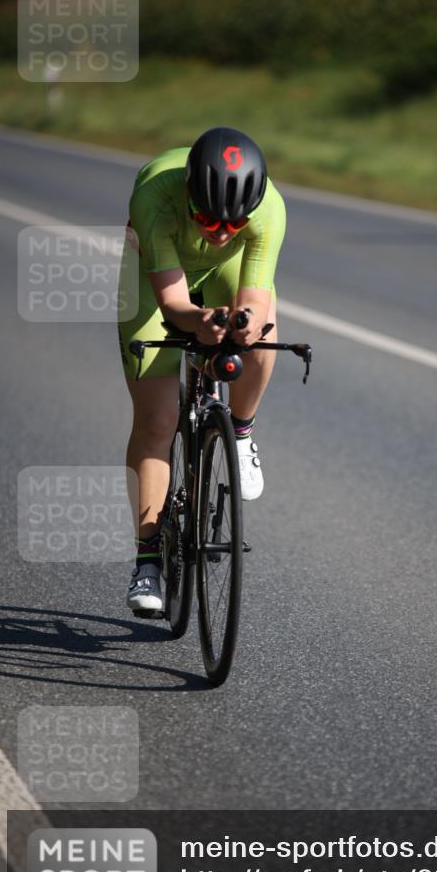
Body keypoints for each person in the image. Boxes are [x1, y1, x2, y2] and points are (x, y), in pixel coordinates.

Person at [117, 126, 286, 613]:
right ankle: (147, 560)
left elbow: (254, 297)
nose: (220, 232)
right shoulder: (154, 195)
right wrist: (199, 321)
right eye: (209, 219)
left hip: (229, 271)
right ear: (189, 195)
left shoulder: (269, 210)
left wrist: (242, 323)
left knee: (263, 333)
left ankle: (240, 430)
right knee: (155, 421)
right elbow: (172, 303)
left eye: (235, 223)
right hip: (157, 276)